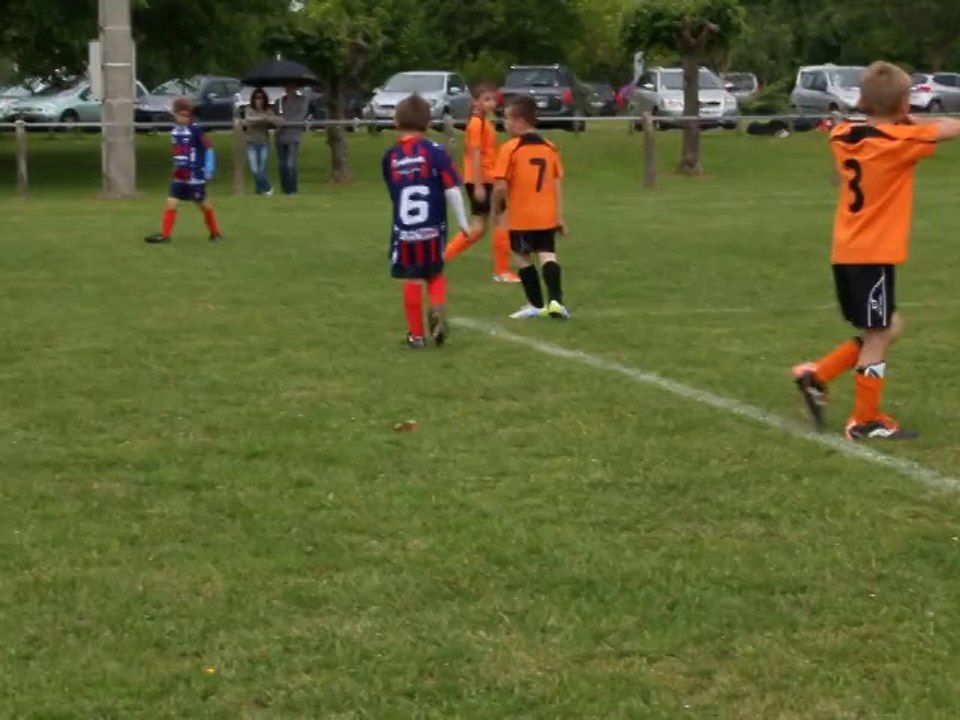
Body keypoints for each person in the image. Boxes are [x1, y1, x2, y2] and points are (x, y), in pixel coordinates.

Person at [792, 60, 960, 440]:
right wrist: (906, 117)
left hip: (848, 250)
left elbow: (882, 125)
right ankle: (864, 419)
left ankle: (816, 376)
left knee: (886, 328)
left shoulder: (841, 133)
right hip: (872, 253)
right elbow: (949, 128)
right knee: (881, 332)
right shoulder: (901, 143)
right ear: (904, 105)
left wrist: (895, 113)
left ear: (862, 100)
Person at [382, 94, 471, 349]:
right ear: (428, 121)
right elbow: (452, 189)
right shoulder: (436, 152)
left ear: (397, 121)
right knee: (435, 274)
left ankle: (416, 336)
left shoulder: (391, 157)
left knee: (412, 280)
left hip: (405, 230)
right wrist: (463, 223)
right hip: (433, 229)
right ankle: (437, 306)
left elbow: (394, 195)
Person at [492, 96, 569, 320]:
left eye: (506, 118)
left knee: (523, 257)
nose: (504, 124)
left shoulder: (511, 148)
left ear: (519, 121)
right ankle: (556, 301)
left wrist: (497, 210)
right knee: (548, 255)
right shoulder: (549, 147)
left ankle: (535, 304)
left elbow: (499, 185)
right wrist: (559, 215)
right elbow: (556, 183)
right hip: (546, 214)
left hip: (521, 214)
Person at [443, 81, 518, 283]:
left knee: (478, 227)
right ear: (476, 102)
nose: (491, 103)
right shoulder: (476, 124)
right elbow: (474, 154)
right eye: (486, 99)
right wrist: (477, 185)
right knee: (501, 220)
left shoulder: (485, 122)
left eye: (493, 99)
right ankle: (502, 271)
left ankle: (441, 257)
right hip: (483, 179)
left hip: (486, 178)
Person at [144, 96, 221, 244]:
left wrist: (209, 169)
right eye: (181, 115)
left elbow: (209, 148)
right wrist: (177, 167)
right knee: (171, 202)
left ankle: (215, 233)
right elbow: (178, 153)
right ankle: (165, 235)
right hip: (180, 176)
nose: (184, 118)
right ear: (175, 114)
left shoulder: (196, 130)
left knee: (203, 205)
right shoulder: (175, 132)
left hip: (195, 176)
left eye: (187, 115)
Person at [244, 87, 280, 195]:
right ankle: (268, 188)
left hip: (264, 143)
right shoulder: (249, 109)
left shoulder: (268, 110)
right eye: (256, 98)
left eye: (261, 98)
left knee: (261, 169)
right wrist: (262, 118)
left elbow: (275, 120)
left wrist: (267, 118)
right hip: (251, 142)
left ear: (264, 99)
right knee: (254, 169)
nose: (258, 100)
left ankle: (260, 191)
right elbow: (248, 119)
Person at [275, 84, 309, 195]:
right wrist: (276, 121)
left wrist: (284, 123)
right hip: (280, 136)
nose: (289, 89)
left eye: (291, 87)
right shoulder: (280, 101)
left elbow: (300, 116)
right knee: (282, 165)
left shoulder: (302, 100)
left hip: (294, 136)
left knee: (290, 164)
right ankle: (285, 190)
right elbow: (274, 116)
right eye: (287, 87)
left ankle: (293, 190)